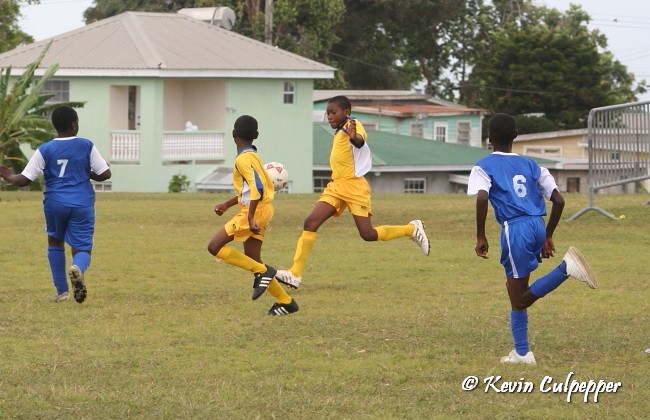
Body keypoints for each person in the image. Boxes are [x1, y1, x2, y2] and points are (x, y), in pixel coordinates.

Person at [467, 113, 598, 365]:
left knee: (518, 297)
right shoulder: (533, 165)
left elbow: (482, 197)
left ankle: (565, 269)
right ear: (516, 135)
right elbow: (558, 200)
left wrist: (480, 235)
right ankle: (522, 353)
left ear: (489, 138)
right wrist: (547, 235)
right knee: (514, 289)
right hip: (537, 224)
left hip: (514, 229)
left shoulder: (483, 165)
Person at [275, 95, 430, 289]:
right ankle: (295, 274)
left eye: (333, 112)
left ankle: (411, 229)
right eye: (327, 113)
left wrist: (353, 135)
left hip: (355, 188)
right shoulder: (339, 131)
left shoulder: (353, 124)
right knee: (310, 222)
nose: (329, 117)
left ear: (346, 112)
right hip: (336, 186)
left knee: (368, 234)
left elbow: (359, 141)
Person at [0, 106, 111, 303]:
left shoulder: (45, 149)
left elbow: (24, 180)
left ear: (55, 126)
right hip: (82, 202)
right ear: (74, 125)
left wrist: (9, 176)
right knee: (82, 246)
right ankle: (77, 267)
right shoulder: (86, 145)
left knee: (55, 240)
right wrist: (86, 172)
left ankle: (62, 292)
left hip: (55, 202)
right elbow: (105, 174)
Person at [207, 115, 298, 316]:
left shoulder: (242, 159)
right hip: (263, 209)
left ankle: (264, 272)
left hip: (254, 212)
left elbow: (256, 187)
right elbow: (249, 190)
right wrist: (227, 204)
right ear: (256, 136)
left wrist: (249, 218)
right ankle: (286, 301)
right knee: (253, 259)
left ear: (233, 135)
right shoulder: (254, 156)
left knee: (214, 247)